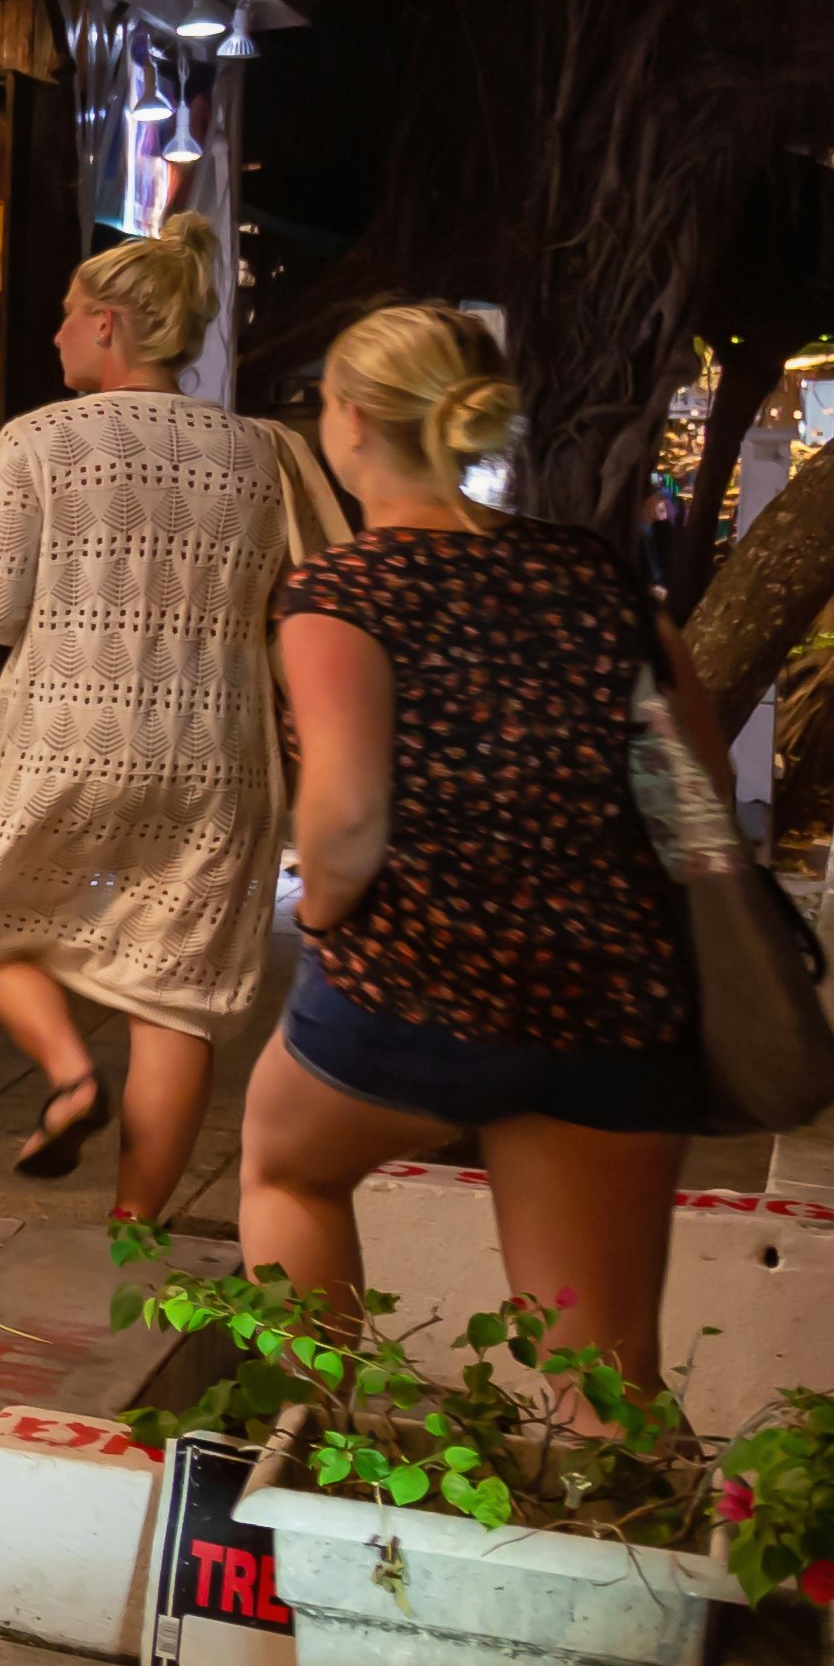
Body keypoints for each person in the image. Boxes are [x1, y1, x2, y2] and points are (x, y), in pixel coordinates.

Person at [233, 304, 713, 1385]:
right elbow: (697, 787)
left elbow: (345, 826)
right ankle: (621, 1477)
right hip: (612, 999)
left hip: (417, 991)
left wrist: (322, 917)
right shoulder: (591, 572)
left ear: (353, 420)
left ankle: (320, 1431)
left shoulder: (346, 591)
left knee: (286, 1168)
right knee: (603, 1375)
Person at [0, 217, 336, 1216]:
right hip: (219, 755)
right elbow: (295, 603)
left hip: (64, 735)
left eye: (65, 315)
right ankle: (137, 1234)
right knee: (179, 994)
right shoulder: (264, 452)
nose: (54, 334)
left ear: (107, 324)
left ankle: (70, 1076)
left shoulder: (38, 440)